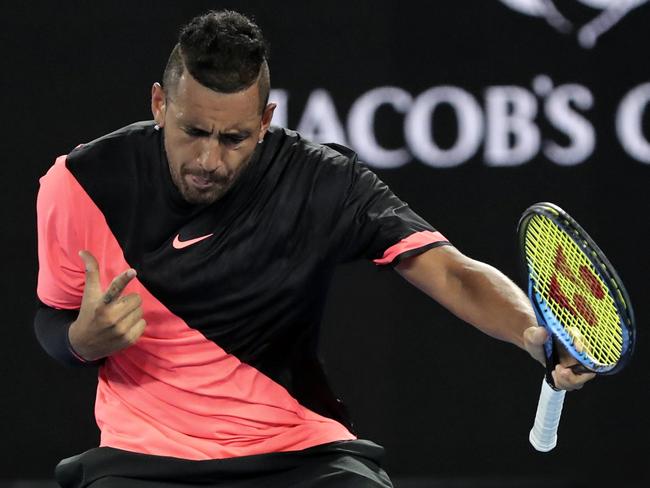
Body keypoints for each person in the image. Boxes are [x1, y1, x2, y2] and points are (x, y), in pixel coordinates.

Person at [35, 10, 593, 488]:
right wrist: (81, 341)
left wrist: (530, 334)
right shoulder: (80, 183)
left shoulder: (322, 181)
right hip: (142, 461)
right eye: (193, 131)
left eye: (233, 138)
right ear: (160, 104)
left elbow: (452, 272)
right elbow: (53, 320)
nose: (209, 159)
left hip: (299, 455)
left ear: (265, 120)